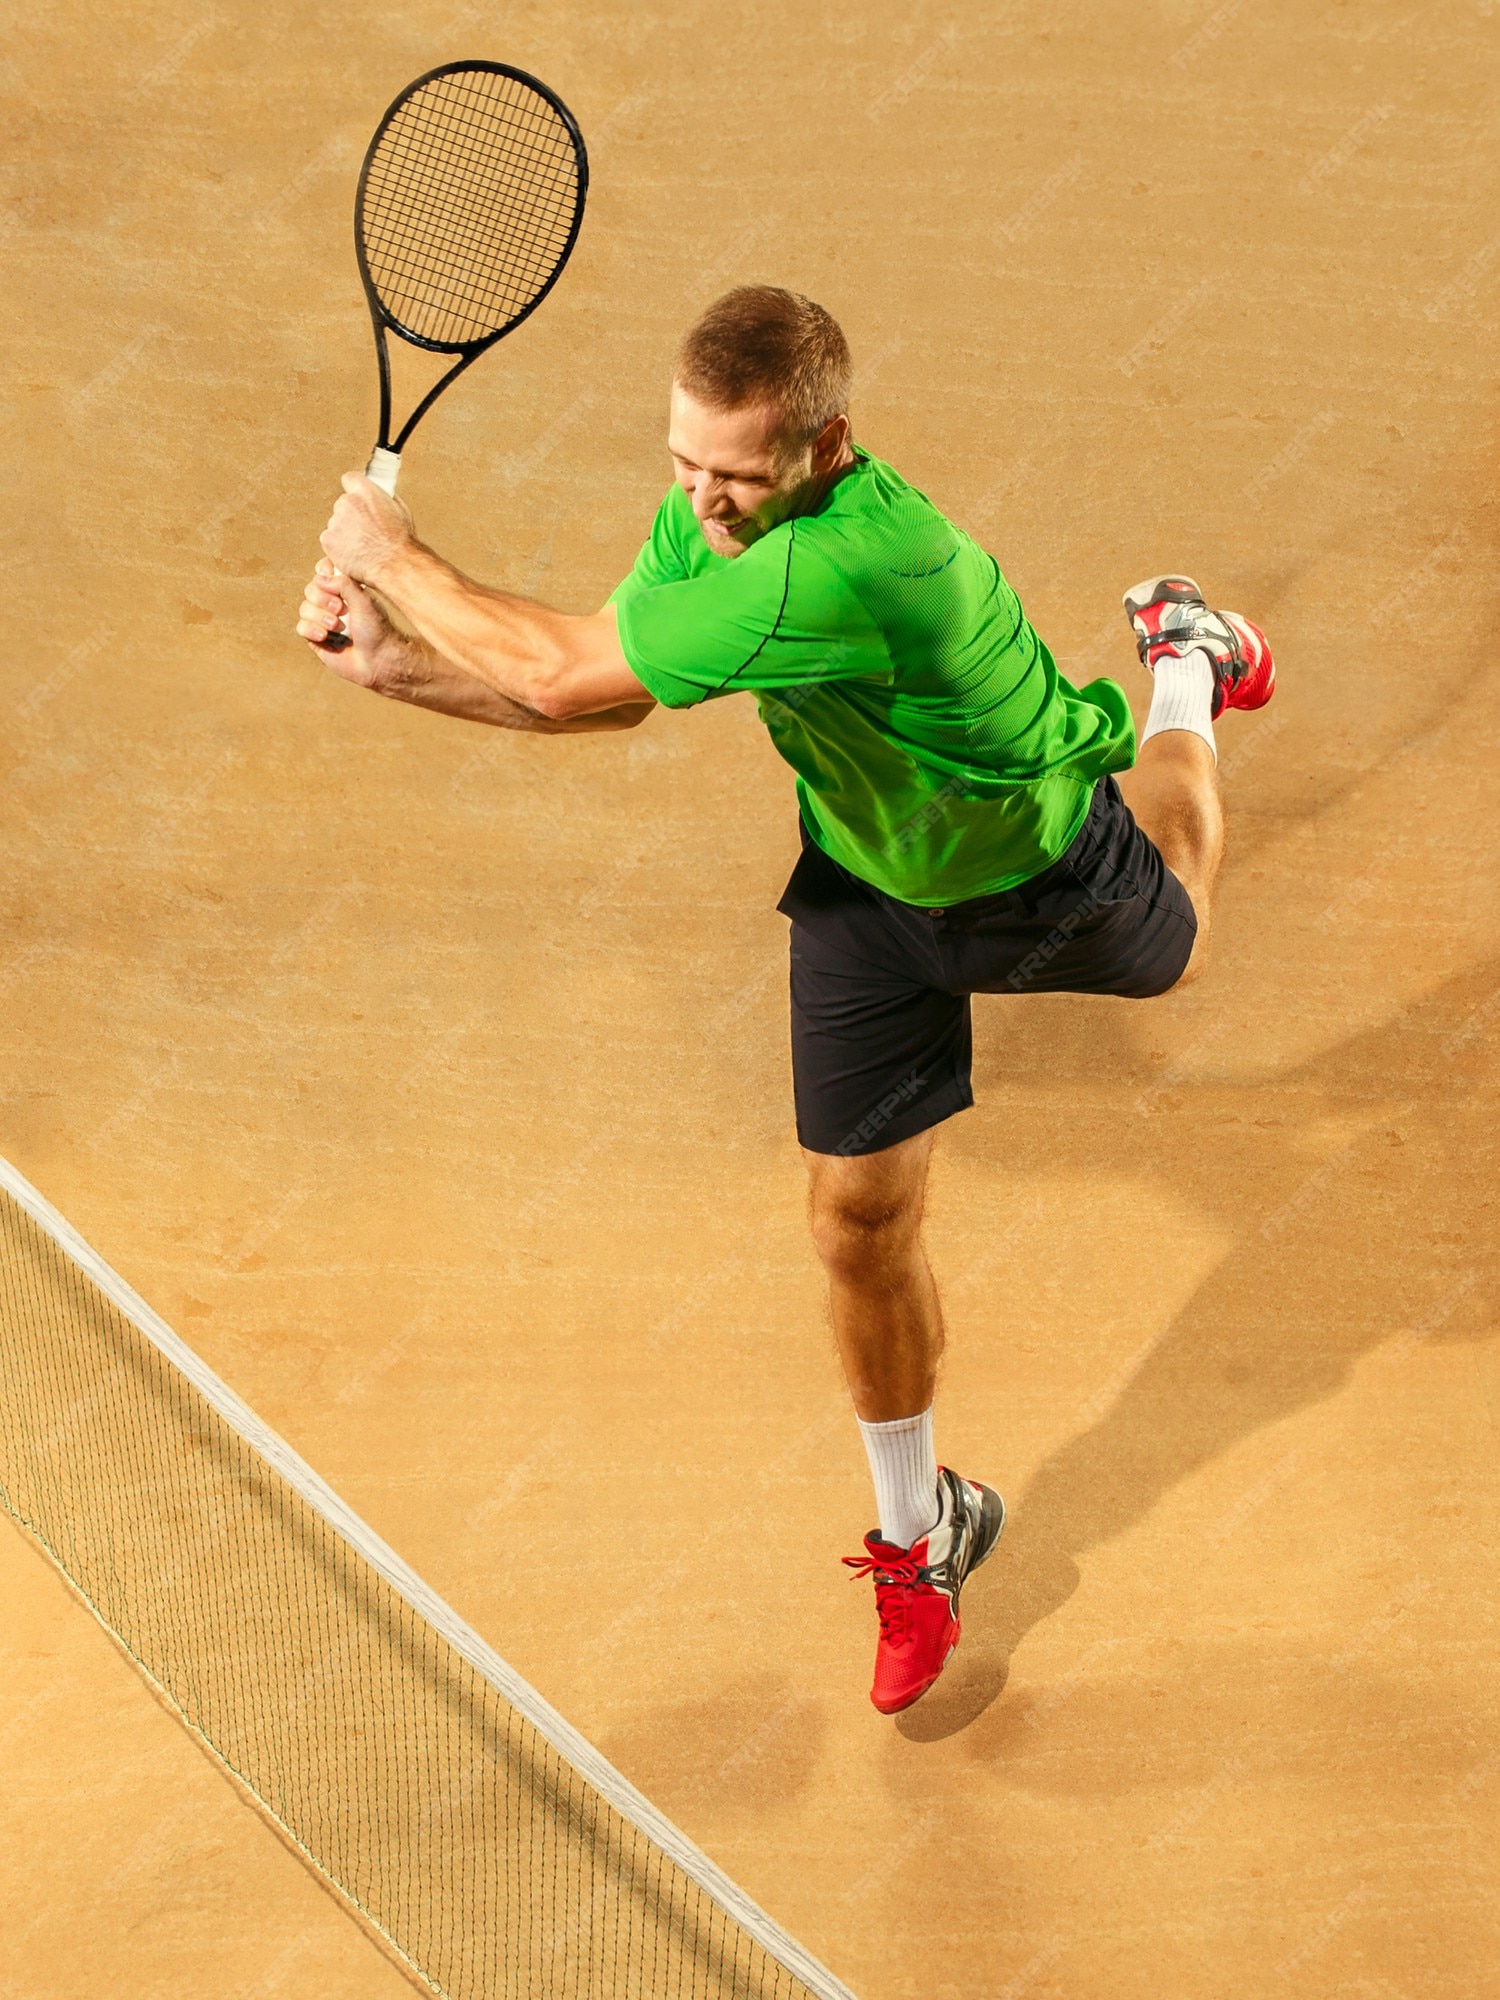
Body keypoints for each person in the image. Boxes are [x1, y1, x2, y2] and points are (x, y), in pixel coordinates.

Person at [298, 284, 1274, 1715]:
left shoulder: (858, 565)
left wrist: (396, 557)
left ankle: (1184, 663)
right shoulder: (706, 518)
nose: (703, 502)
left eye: (737, 479)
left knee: (1176, 919)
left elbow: (564, 675)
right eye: (686, 464)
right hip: (870, 884)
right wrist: (398, 669)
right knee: (855, 1220)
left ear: (826, 445)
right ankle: (920, 1528)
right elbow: (613, 693)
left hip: (1029, 856)